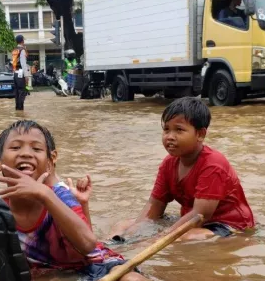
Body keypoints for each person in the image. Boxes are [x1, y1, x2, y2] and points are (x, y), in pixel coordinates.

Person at [0, 119, 241, 281]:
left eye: (36, 148)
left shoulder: (59, 195)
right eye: (16, 147)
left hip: (92, 265)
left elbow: (87, 245)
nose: (25, 153)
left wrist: (46, 196)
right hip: (49, 274)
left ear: (51, 161)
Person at [108, 98, 254, 243]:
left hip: (229, 225)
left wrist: (161, 237)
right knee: (123, 225)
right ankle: (106, 253)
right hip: (192, 221)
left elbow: (201, 215)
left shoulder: (213, 165)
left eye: (179, 130)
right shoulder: (168, 164)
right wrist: (134, 232)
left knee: (182, 239)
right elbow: (154, 206)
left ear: (200, 134)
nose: (170, 137)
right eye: (166, 129)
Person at [11, 35, 29, 111]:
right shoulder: (22, 50)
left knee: (17, 93)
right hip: (21, 74)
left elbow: (13, 63)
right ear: (22, 41)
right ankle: (21, 110)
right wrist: (26, 76)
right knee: (22, 92)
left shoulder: (15, 50)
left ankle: (17, 109)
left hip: (15, 73)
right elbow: (23, 64)